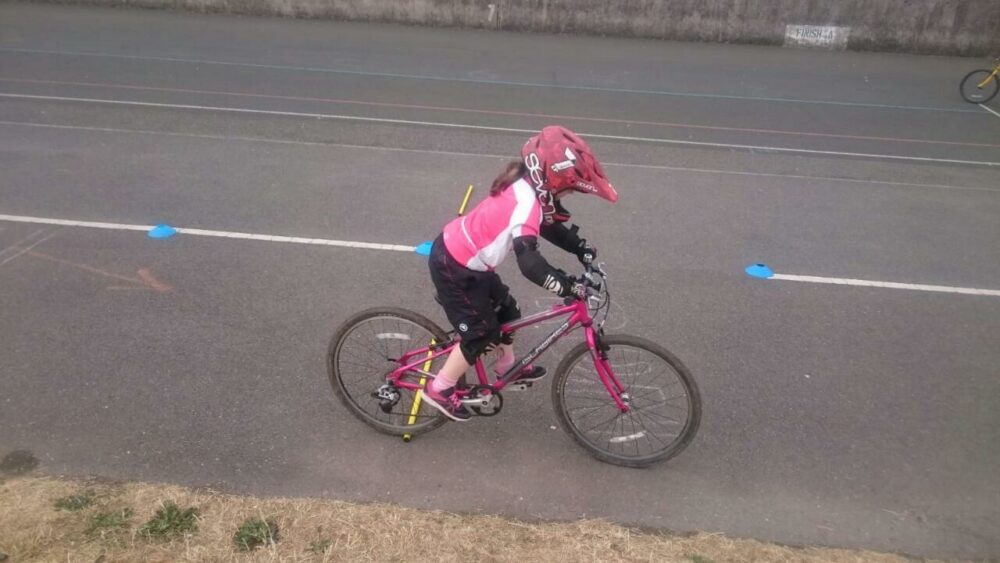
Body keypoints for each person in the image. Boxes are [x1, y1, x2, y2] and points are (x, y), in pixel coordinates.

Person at [420, 125, 618, 421]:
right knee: (480, 333)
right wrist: (568, 287)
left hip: (470, 261)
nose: (568, 196)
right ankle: (440, 390)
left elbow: (547, 226)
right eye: (568, 189)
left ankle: (506, 368)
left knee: (508, 312)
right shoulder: (526, 202)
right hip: (454, 265)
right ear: (552, 179)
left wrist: (581, 248)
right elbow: (530, 264)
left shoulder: (530, 191)